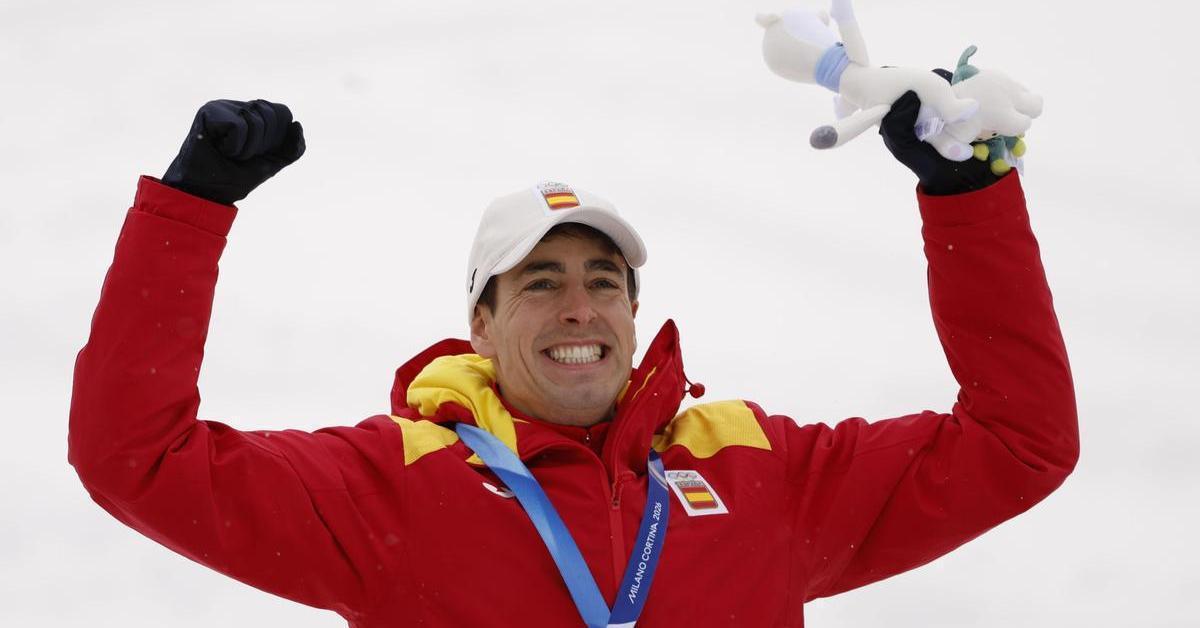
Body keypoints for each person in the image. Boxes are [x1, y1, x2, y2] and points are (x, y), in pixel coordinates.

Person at [69, 95, 1078, 627]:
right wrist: (189, 211)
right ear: (480, 323)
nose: (579, 307)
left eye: (604, 280)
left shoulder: (754, 471)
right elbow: (135, 459)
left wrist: (969, 204)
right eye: (540, 282)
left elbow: (1021, 442)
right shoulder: (395, 488)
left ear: (635, 314)